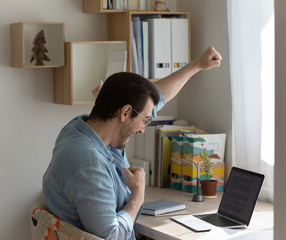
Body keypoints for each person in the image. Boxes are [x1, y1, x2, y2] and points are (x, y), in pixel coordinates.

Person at [42, 46, 222, 240]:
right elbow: (112, 236)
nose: (142, 129)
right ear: (125, 112)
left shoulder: (79, 128)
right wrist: (138, 194)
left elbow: (153, 100)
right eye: (144, 120)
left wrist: (196, 65)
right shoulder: (89, 163)